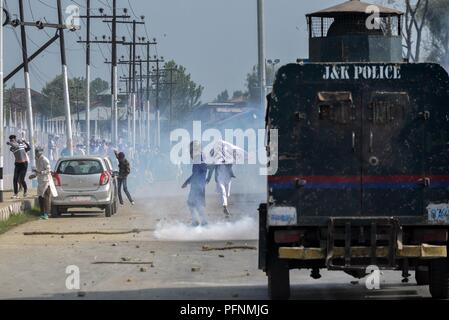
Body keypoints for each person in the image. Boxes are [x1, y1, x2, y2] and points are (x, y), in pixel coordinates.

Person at [182, 141, 208, 227]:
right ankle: (200, 221)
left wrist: (187, 182)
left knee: (193, 203)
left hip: (197, 185)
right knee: (196, 203)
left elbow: (196, 174)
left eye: (191, 148)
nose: (190, 151)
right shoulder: (201, 157)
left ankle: (201, 222)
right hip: (199, 184)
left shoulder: (198, 158)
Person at [29, 147, 58, 220]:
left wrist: (39, 172)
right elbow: (37, 170)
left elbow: (48, 171)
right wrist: (34, 175)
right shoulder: (36, 159)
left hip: (46, 181)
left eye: (37, 151)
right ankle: (42, 213)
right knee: (40, 197)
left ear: (41, 152)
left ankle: (46, 214)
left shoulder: (45, 160)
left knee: (46, 198)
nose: (36, 153)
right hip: (40, 181)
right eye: (36, 151)